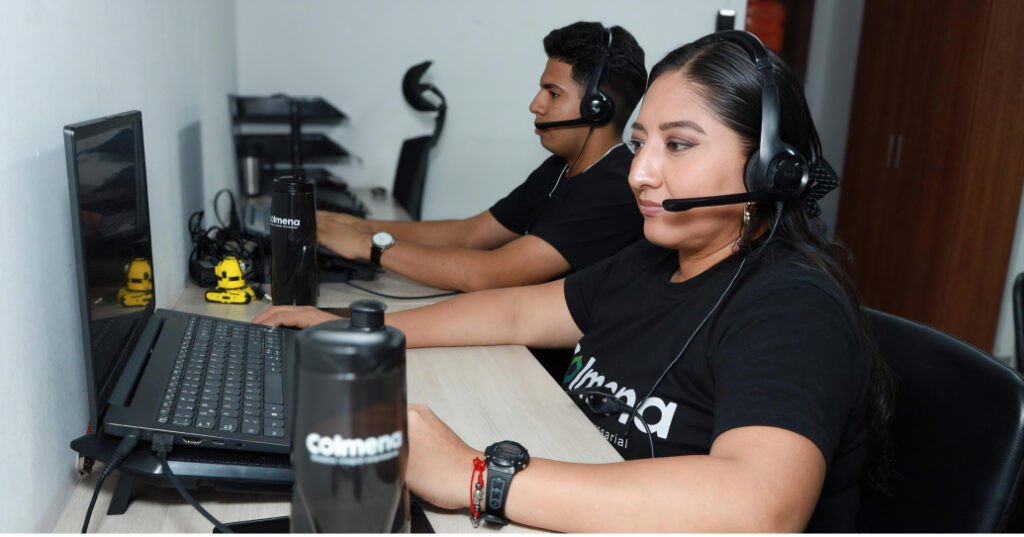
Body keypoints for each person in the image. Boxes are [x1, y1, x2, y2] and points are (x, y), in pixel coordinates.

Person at [255, 31, 893, 532]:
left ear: (770, 171)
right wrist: (358, 331)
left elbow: (758, 511)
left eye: (678, 145)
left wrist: (479, 478)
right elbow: (513, 314)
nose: (639, 172)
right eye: (640, 142)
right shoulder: (651, 262)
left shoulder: (793, 308)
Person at [316, 21, 646, 292]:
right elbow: (469, 234)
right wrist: (356, 225)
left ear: (597, 108)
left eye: (553, 93)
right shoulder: (561, 168)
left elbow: (491, 273)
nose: (536, 105)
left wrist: (369, 245)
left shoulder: (615, 190)